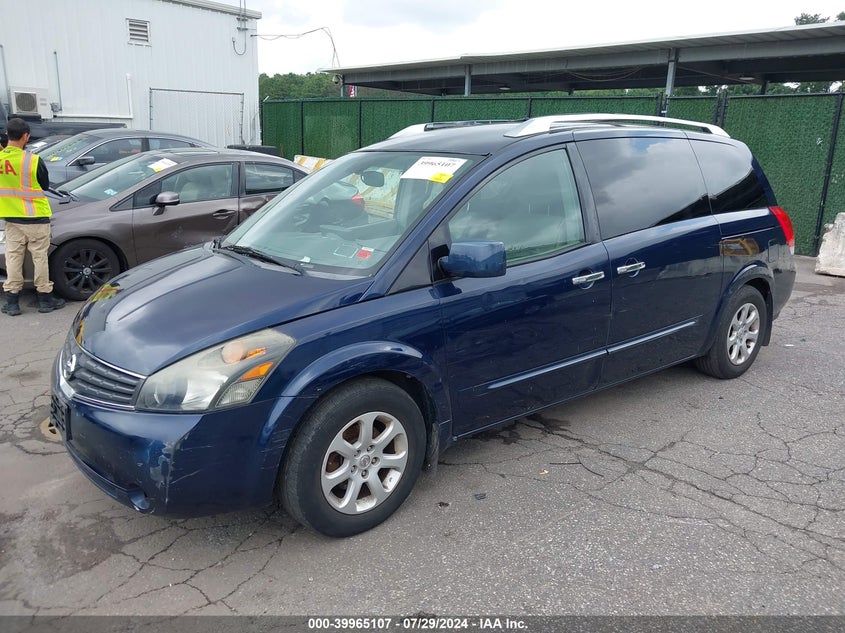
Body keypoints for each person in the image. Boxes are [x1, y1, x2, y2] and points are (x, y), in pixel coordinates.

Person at [1, 118, 65, 316]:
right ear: (26, 136)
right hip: (36, 218)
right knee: (39, 258)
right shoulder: (32, 160)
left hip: (11, 218)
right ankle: (45, 299)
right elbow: (44, 186)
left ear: (8, 135)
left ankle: (12, 301)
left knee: (13, 257)